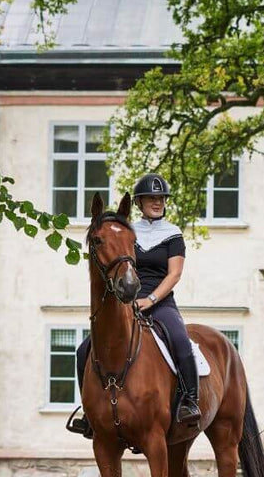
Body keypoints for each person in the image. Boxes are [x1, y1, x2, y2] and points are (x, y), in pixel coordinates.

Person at [68, 173, 201, 437]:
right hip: (126, 301)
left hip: (160, 301)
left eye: (161, 198)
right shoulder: (128, 232)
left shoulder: (172, 234)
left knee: (181, 341)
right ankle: (90, 411)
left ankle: (189, 400)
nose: (158, 202)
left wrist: (150, 299)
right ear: (139, 202)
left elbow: (174, 274)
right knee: (84, 350)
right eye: (151, 198)